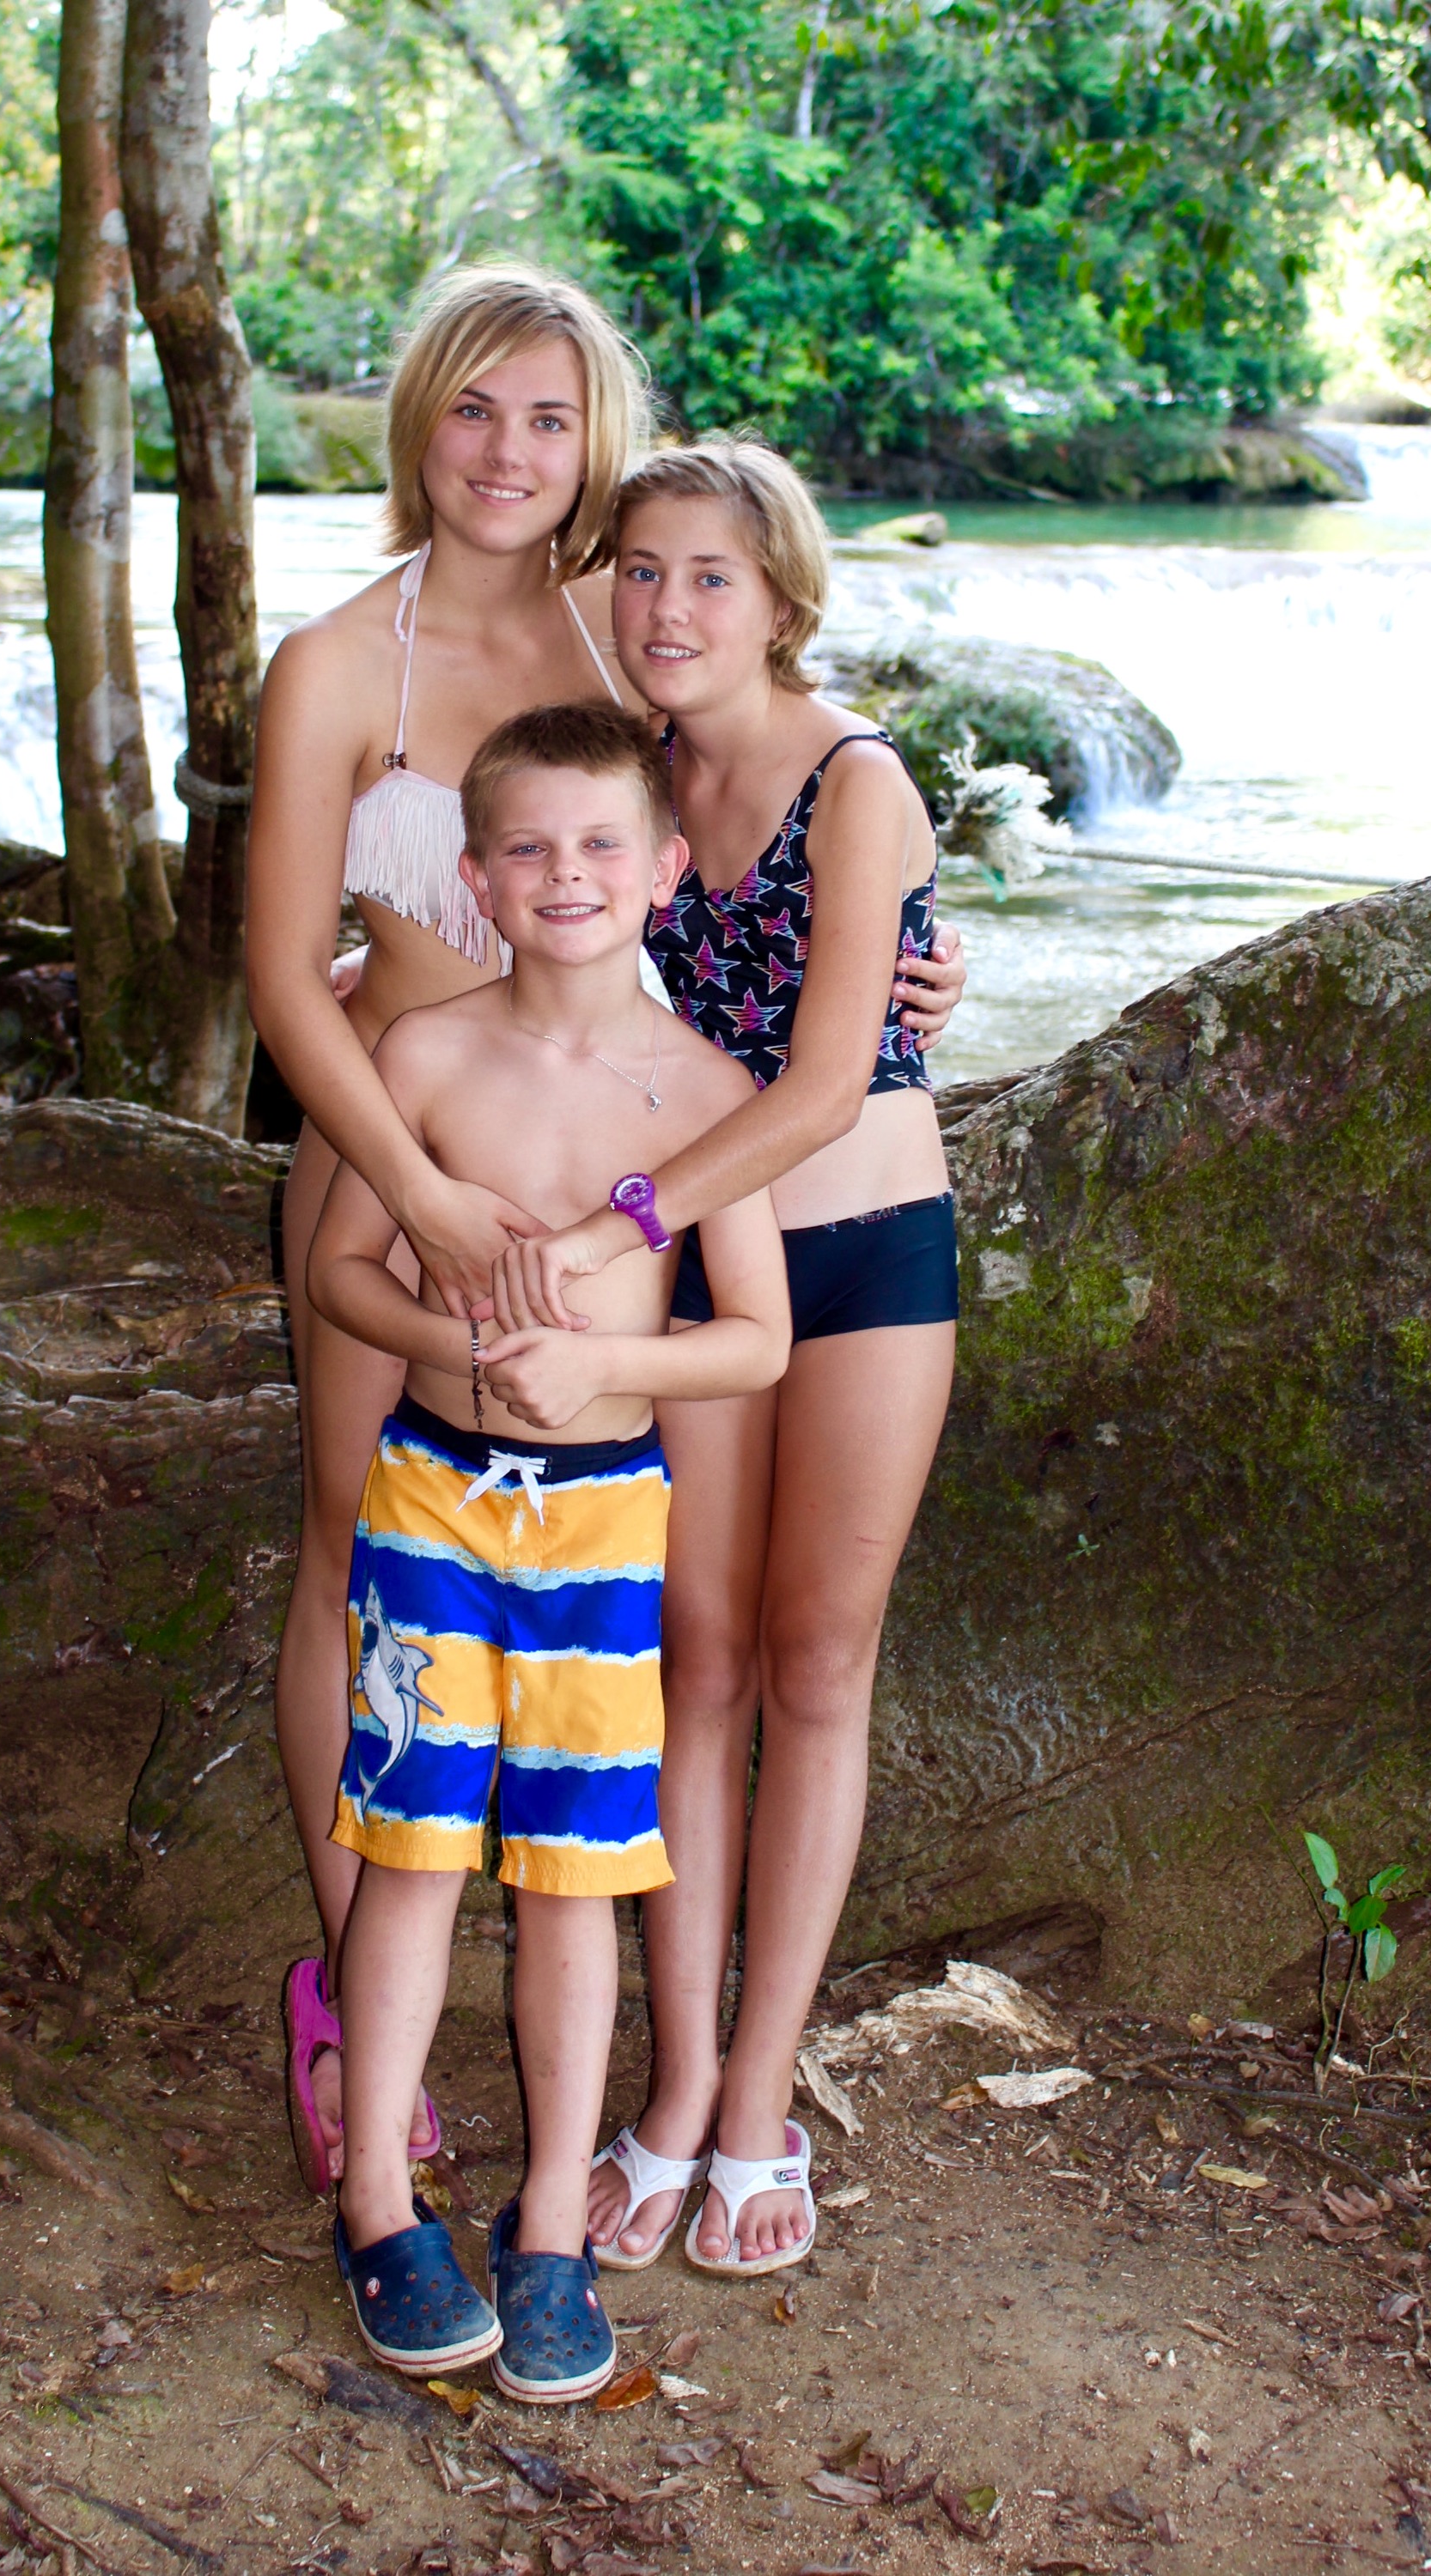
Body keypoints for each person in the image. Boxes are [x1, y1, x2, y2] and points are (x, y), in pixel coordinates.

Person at [244, 263, 968, 2200]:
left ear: (597, 448)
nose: (507, 451)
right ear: (418, 416)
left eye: (550, 418)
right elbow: (288, 978)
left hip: (622, 1198)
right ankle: (361, 2005)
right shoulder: (338, 662)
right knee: (358, 1547)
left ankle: (667, 2079)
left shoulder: (623, 630)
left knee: (632, 1597)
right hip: (398, 1152)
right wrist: (420, 1192)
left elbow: (755, 838)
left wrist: (911, 957)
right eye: (475, 407)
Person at [486, 442, 959, 2277]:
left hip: (861, 1251)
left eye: (711, 577)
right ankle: (676, 2089)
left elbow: (829, 1082)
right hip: (694, 1274)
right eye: (642, 570)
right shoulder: (628, 777)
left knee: (818, 1662)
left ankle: (763, 2097)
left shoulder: (861, 782)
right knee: (696, 1660)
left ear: (782, 601)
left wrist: (614, 1223)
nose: (668, 607)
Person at [307, 702, 789, 2391]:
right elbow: (342, 1275)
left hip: (605, 1520)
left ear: (664, 870)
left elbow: (756, 1343)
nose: (563, 875)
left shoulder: (706, 1093)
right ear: (475, 877)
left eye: (599, 845)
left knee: (578, 1869)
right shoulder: (424, 1057)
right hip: (432, 1499)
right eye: (526, 847)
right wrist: (445, 1326)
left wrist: (603, 1366)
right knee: (415, 1847)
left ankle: (553, 2236)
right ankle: (377, 2203)